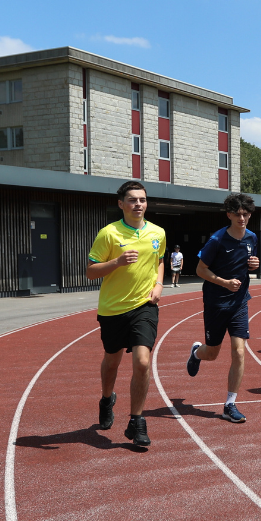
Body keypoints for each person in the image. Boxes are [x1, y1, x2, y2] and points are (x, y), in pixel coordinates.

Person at [86, 181, 166, 447]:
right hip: (112, 309)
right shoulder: (109, 234)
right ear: (121, 204)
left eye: (142, 200)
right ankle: (107, 398)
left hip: (144, 307)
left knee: (143, 362)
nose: (138, 205)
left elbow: (160, 260)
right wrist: (117, 262)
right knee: (112, 360)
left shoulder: (158, 232)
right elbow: (90, 271)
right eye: (132, 200)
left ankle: (137, 420)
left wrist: (159, 285)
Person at [185, 193, 260, 423]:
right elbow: (200, 270)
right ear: (229, 214)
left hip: (239, 303)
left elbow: (249, 264)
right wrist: (224, 283)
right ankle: (197, 352)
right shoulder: (217, 240)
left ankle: (230, 403)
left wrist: (254, 265)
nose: (242, 218)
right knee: (212, 353)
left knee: (239, 351)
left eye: (245, 214)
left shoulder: (252, 238)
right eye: (237, 214)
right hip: (216, 302)